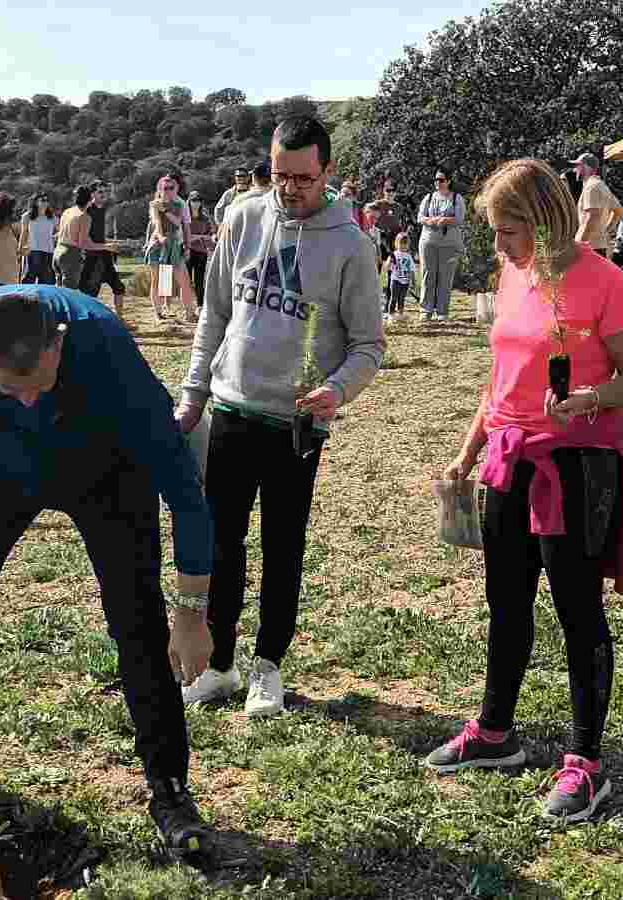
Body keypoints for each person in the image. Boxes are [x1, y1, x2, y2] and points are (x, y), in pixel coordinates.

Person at [0, 284, 219, 850]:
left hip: (108, 474)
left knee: (138, 624)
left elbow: (184, 492)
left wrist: (191, 613)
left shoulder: (107, 347)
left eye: (39, 385)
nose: (29, 401)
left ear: (58, 343)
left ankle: (170, 790)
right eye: (11, 389)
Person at [426, 158, 623, 824]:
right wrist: (467, 455)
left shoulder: (605, 281)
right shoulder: (512, 275)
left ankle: (585, 763)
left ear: (547, 219)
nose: (500, 247)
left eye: (509, 232)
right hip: (508, 459)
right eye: (495, 233)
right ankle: (495, 733)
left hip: (578, 464)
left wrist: (587, 399)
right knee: (506, 600)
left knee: (577, 608)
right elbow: (498, 380)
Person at [174, 115, 386, 718]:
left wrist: (337, 391)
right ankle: (220, 666)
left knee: (283, 546)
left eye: (302, 177)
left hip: (295, 424)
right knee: (221, 545)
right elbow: (213, 315)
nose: (288, 188)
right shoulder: (242, 215)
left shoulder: (350, 243)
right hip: (231, 409)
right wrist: (193, 394)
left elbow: (369, 345)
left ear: (328, 172)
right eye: (278, 174)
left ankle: (269, 665)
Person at [145, 175, 200, 322]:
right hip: (158, 244)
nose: (168, 190)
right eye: (165, 188)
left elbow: (178, 223)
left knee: (184, 280)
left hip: (175, 244)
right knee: (157, 280)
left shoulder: (180, 204)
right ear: (160, 189)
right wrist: (161, 236)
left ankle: (189, 312)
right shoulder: (154, 204)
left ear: (176, 188)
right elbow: (156, 223)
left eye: (171, 188)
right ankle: (159, 312)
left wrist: (187, 247)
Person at [417, 167, 466, 322]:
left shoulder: (457, 198)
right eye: (436, 179)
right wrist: (428, 220)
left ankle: (442, 312)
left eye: (441, 179)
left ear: (448, 181)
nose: (437, 182)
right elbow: (420, 216)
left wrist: (445, 220)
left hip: (449, 244)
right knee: (428, 274)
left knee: (445, 277)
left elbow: (459, 219)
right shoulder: (429, 197)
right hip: (428, 241)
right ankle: (426, 310)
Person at [83, 183, 130, 317]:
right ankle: (88, 319)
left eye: (104, 191)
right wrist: (106, 245)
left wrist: (113, 243)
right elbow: (86, 240)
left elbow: (100, 237)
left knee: (119, 287)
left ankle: (119, 318)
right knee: (91, 292)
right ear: (92, 194)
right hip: (91, 258)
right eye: (99, 192)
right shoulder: (87, 211)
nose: (103, 194)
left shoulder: (104, 210)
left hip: (105, 256)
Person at [55, 185, 110, 298]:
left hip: (58, 252)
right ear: (90, 199)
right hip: (70, 254)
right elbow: (83, 244)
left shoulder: (67, 211)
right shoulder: (84, 217)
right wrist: (106, 247)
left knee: (59, 293)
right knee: (69, 296)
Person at [571, 153, 623, 259]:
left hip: (590, 248)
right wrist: (606, 230)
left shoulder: (592, 187)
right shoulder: (600, 185)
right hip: (598, 246)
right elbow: (619, 210)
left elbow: (592, 216)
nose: (574, 170)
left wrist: (580, 245)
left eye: (577, 166)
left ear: (586, 167)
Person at [22, 193, 61, 285]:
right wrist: (20, 249)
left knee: (47, 282)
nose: (45, 203)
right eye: (42, 200)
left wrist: (53, 237)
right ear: (35, 202)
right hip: (32, 252)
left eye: (47, 200)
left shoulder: (53, 218)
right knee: (28, 281)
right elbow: (24, 233)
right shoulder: (27, 216)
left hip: (49, 253)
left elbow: (62, 231)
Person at [186, 192, 216, 304]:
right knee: (187, 281)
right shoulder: (185, 218)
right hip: (187, 251)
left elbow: (211, 234)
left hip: (201, 252)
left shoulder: (205, 218)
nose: (196, 203)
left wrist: (208, 237)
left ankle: (200, 305)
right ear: (189, 201)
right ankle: (187, 306)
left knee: (199, 281)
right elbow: (185, 236)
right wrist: (201, 237)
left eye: (198, 200)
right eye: (193, 200)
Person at [366, 191, 403, 277]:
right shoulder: (379, 203)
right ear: (384, 191)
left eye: (392, 190)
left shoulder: (398, 206)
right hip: (380, 234)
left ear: (395, 192)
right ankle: (375, 279)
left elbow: (400, 221)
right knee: (378, 260)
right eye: (388, 190)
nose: (390, 193)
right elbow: (368, 208)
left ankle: (391, 283)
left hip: (393, 236)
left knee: (392, 260)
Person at [386, 233, 415, 317]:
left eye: (405, 244)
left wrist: (413, 281)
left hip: (405, 282)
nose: (403, 246)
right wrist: (390, 262)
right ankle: (391, 314)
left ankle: (400, 314)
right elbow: (388, 268)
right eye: (401, 243)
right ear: (396, 244)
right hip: (395, 280)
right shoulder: (394, 255)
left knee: (401, 299)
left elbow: (412, 270)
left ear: (408, 245)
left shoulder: (409, 257)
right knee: (394, 298)